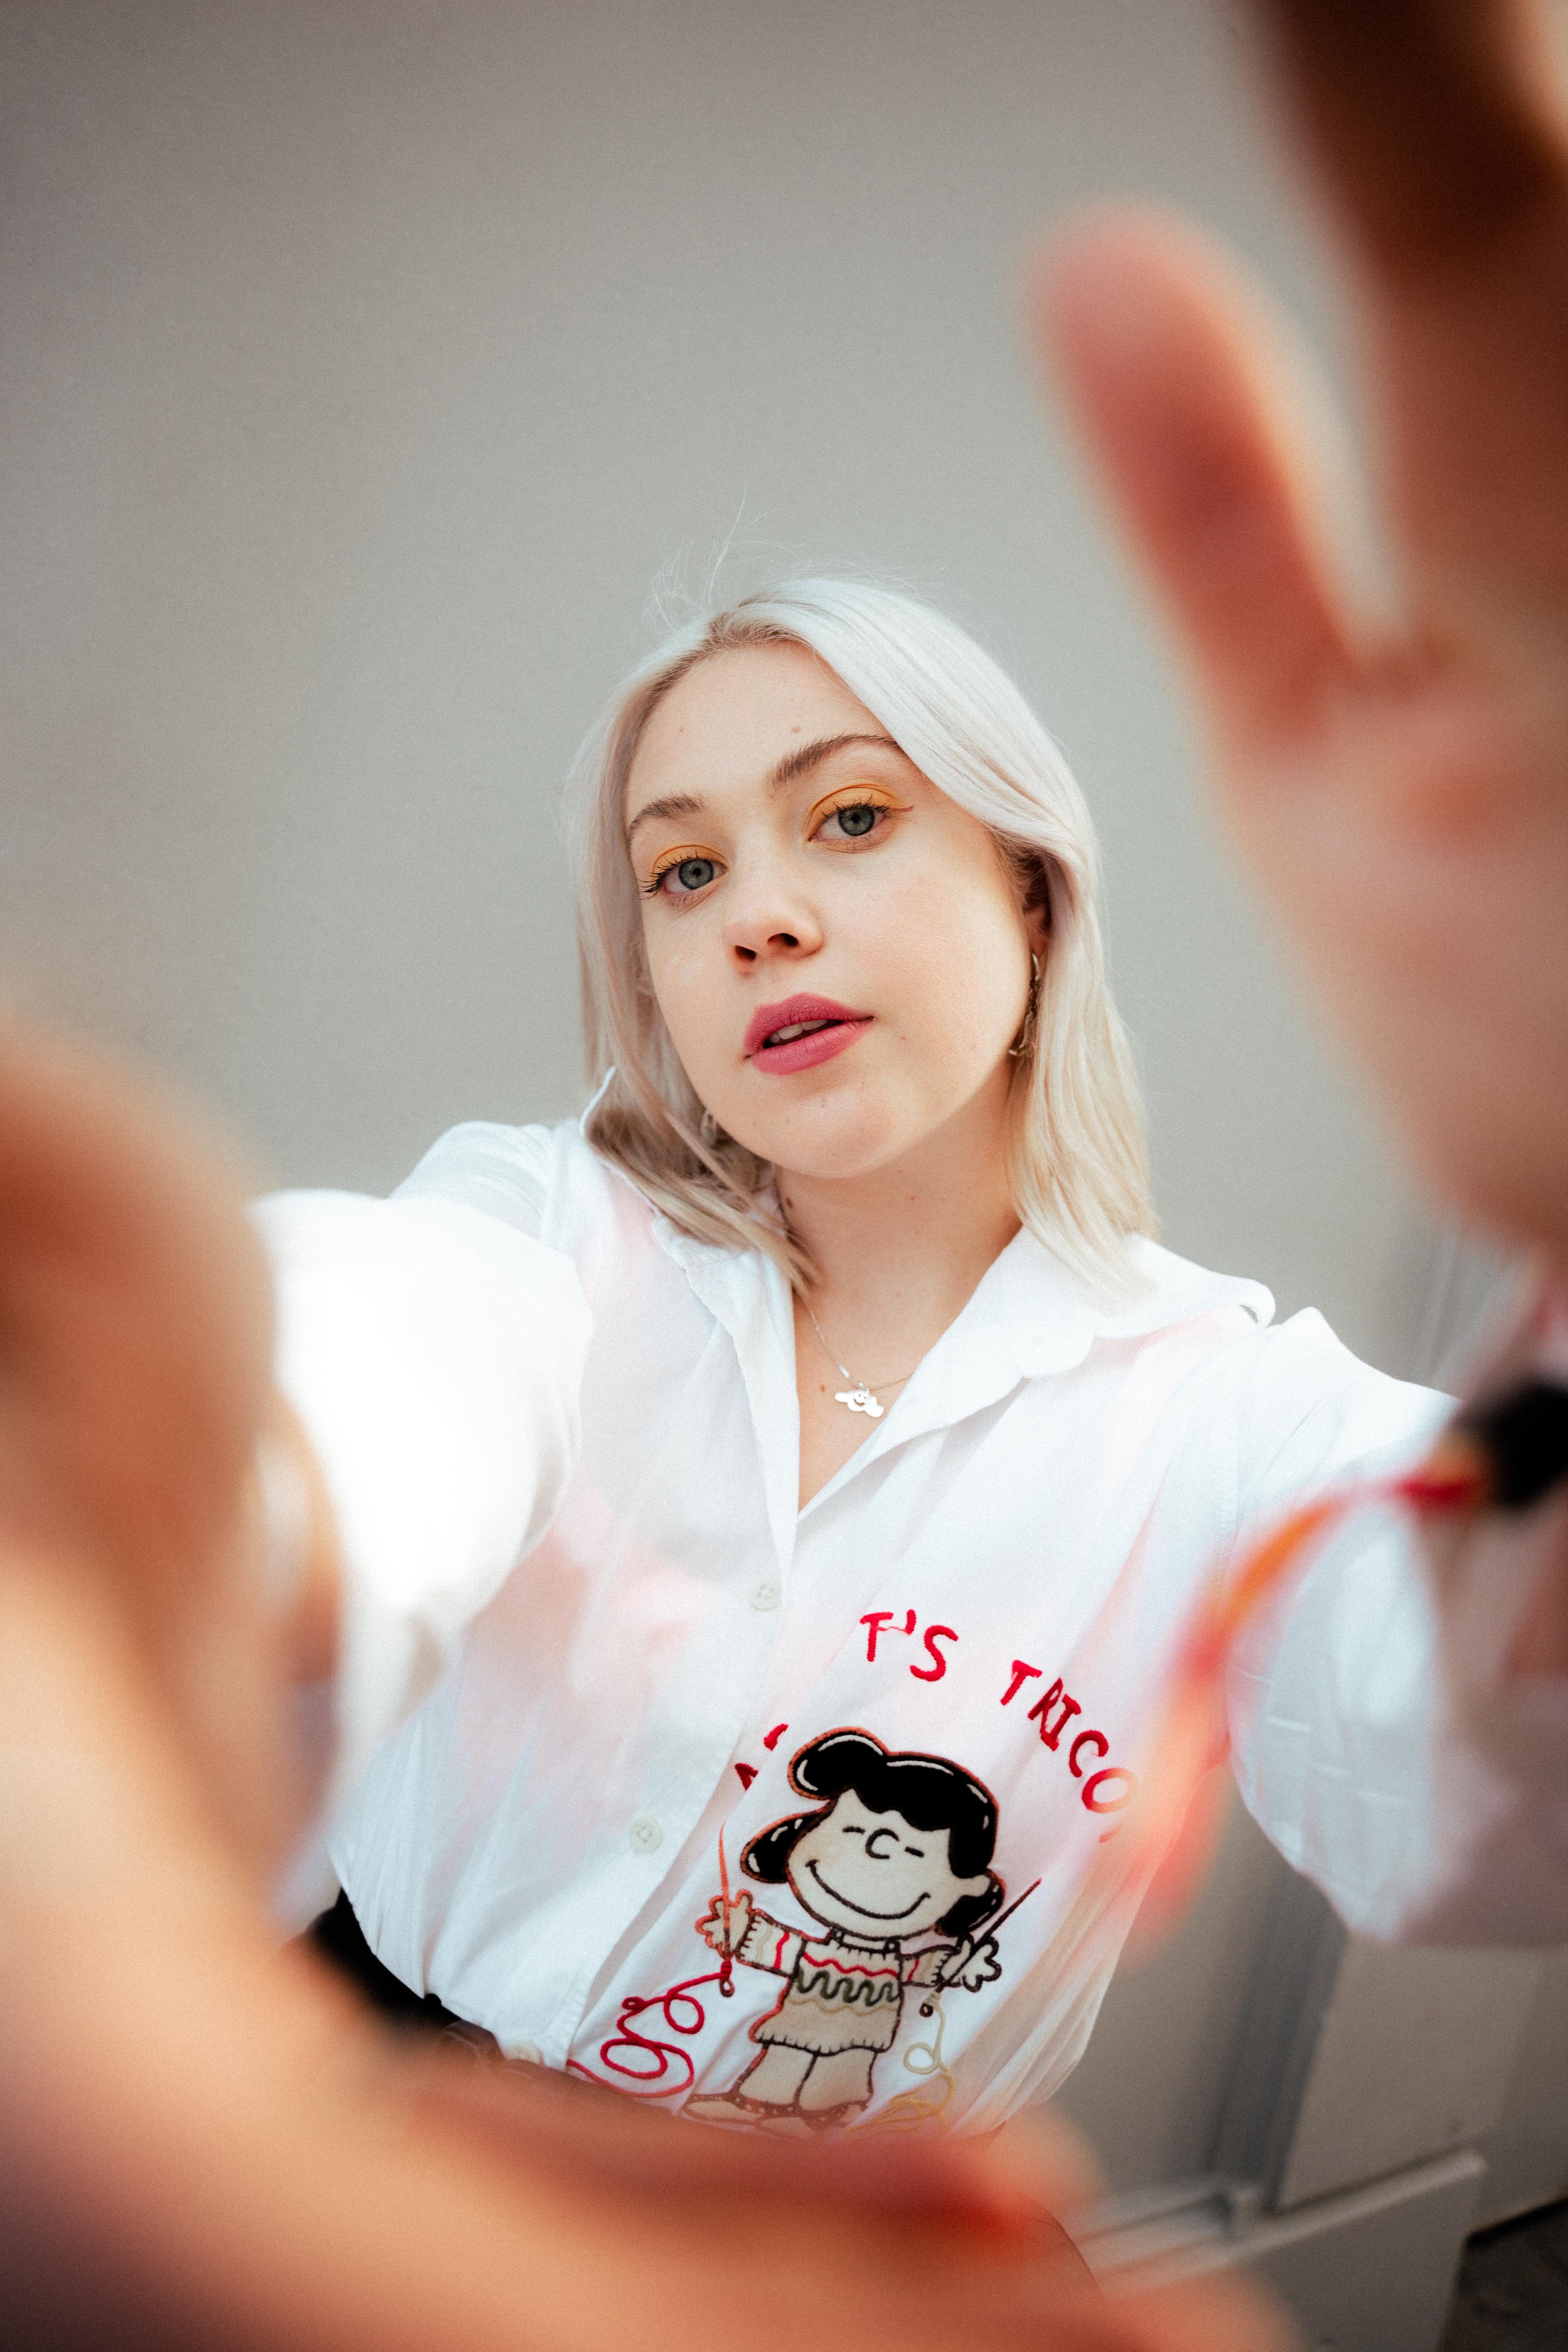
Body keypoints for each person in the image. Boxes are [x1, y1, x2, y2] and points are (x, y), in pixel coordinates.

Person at [2, 0, 1566, 2343]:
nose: (755, 912)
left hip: (862, 2262)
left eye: (848, 817)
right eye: (682, 867)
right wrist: (171, 1511)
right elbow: (377, 1373)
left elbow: (1483, 1739)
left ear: (1032, 892)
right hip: (364, 2139)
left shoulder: (1220, 1414)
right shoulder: (544, 1243)